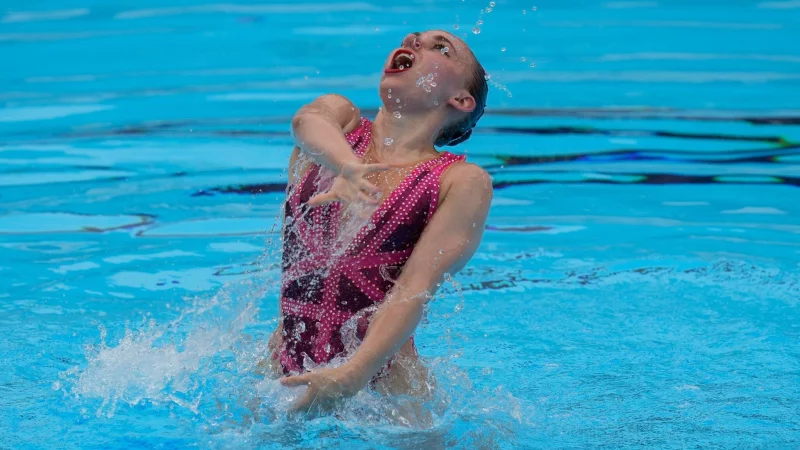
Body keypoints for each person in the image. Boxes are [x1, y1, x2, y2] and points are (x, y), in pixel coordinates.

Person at [265, 30, 493, 416]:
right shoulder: (340, 126)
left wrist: (353, 373)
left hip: (387, 392)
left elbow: (415, 287)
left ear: (460, 100)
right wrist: (347, 165)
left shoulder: (458, 181)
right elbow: (307, 121)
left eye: (441, 48)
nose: (415, 42)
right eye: (415, 37)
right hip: (281, 373)